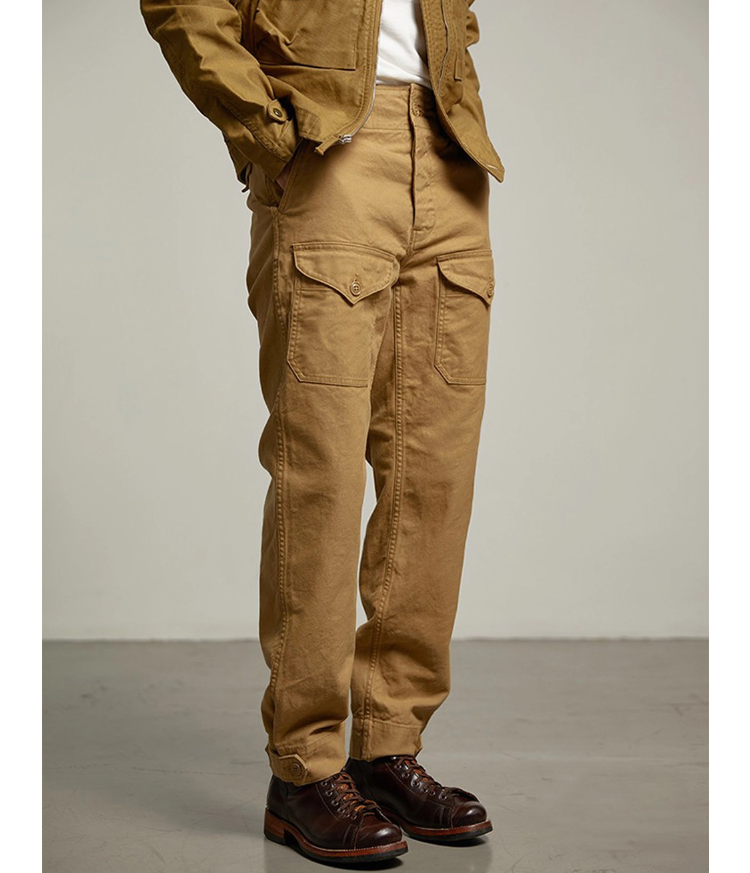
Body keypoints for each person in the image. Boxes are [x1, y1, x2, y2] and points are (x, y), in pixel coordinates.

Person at [141, 0, 505, 864]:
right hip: (330, 147)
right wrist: (267, 131)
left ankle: (388, 748)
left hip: (450, 153)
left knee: (433, 479)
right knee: (323, 476)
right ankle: (305, 769)